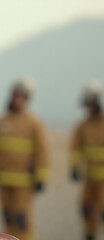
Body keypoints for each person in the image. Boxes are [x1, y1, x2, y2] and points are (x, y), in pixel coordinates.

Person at [0, 77, 50, 240]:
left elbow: (42, 151)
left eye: (22, 97)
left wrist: (41, 176)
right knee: (7, 217)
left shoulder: (33, 122)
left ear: (27, 99)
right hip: (4, 180)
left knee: (21, 219)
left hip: (24, 182)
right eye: (16, 95)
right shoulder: (1, 121)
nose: (18, 100)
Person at [70, 80, 104, 240]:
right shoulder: (82, 126)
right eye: (86, 104)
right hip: (90, 179)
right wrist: (74, 167)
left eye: (91, 103)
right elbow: (75, 149)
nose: (88, 108)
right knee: (86, 210)